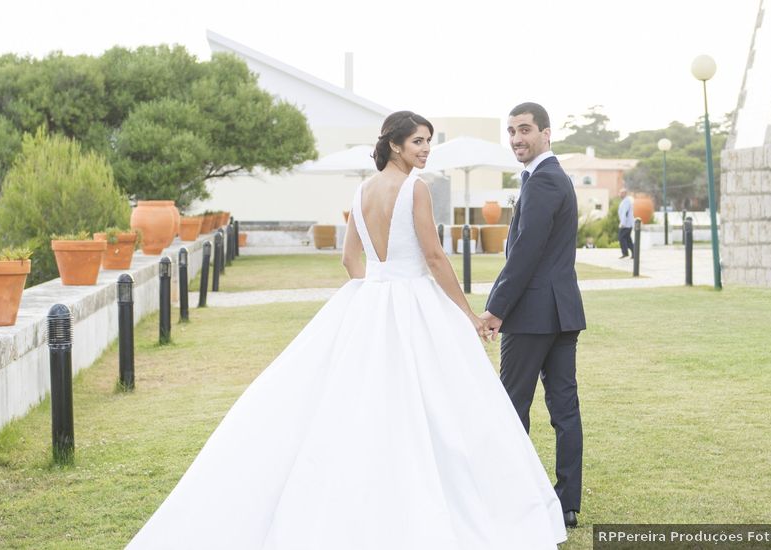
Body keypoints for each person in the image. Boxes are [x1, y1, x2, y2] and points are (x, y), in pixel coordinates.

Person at [127, 111, 567, 549]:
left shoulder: (361, 191)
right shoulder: (416, 188)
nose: (426, 149)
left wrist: (373, 289)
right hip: (412, 300)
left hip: (368, 299)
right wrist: (469, 315)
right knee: (430, 401)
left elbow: (348, 259)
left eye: (428, 141)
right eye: (417, 142)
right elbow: (434, 258)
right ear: (395, 145)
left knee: (365, 401)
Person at [480, 102, 587, 529]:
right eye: (510, 132)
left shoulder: (542, 181)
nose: (516, 139)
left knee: (511, 407)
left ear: (546, 133)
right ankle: (566, 503)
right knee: (564, 409)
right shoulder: (551, 177)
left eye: (524, 130)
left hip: (532, 316)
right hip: (561, 312)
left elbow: (526, 251)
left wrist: (495, 309)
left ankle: (513, 496)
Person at [617, 189, 635, 258]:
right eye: (620, 193)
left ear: (625, 193)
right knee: (627, 239)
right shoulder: (624, 201)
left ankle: (625, 253)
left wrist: (622, 223)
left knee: (621, 237)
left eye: (621, 193)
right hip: (627, 224)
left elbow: (625, 213)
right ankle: (634, 253)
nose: (620, 194)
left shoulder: (627, 201)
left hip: (626, 224)